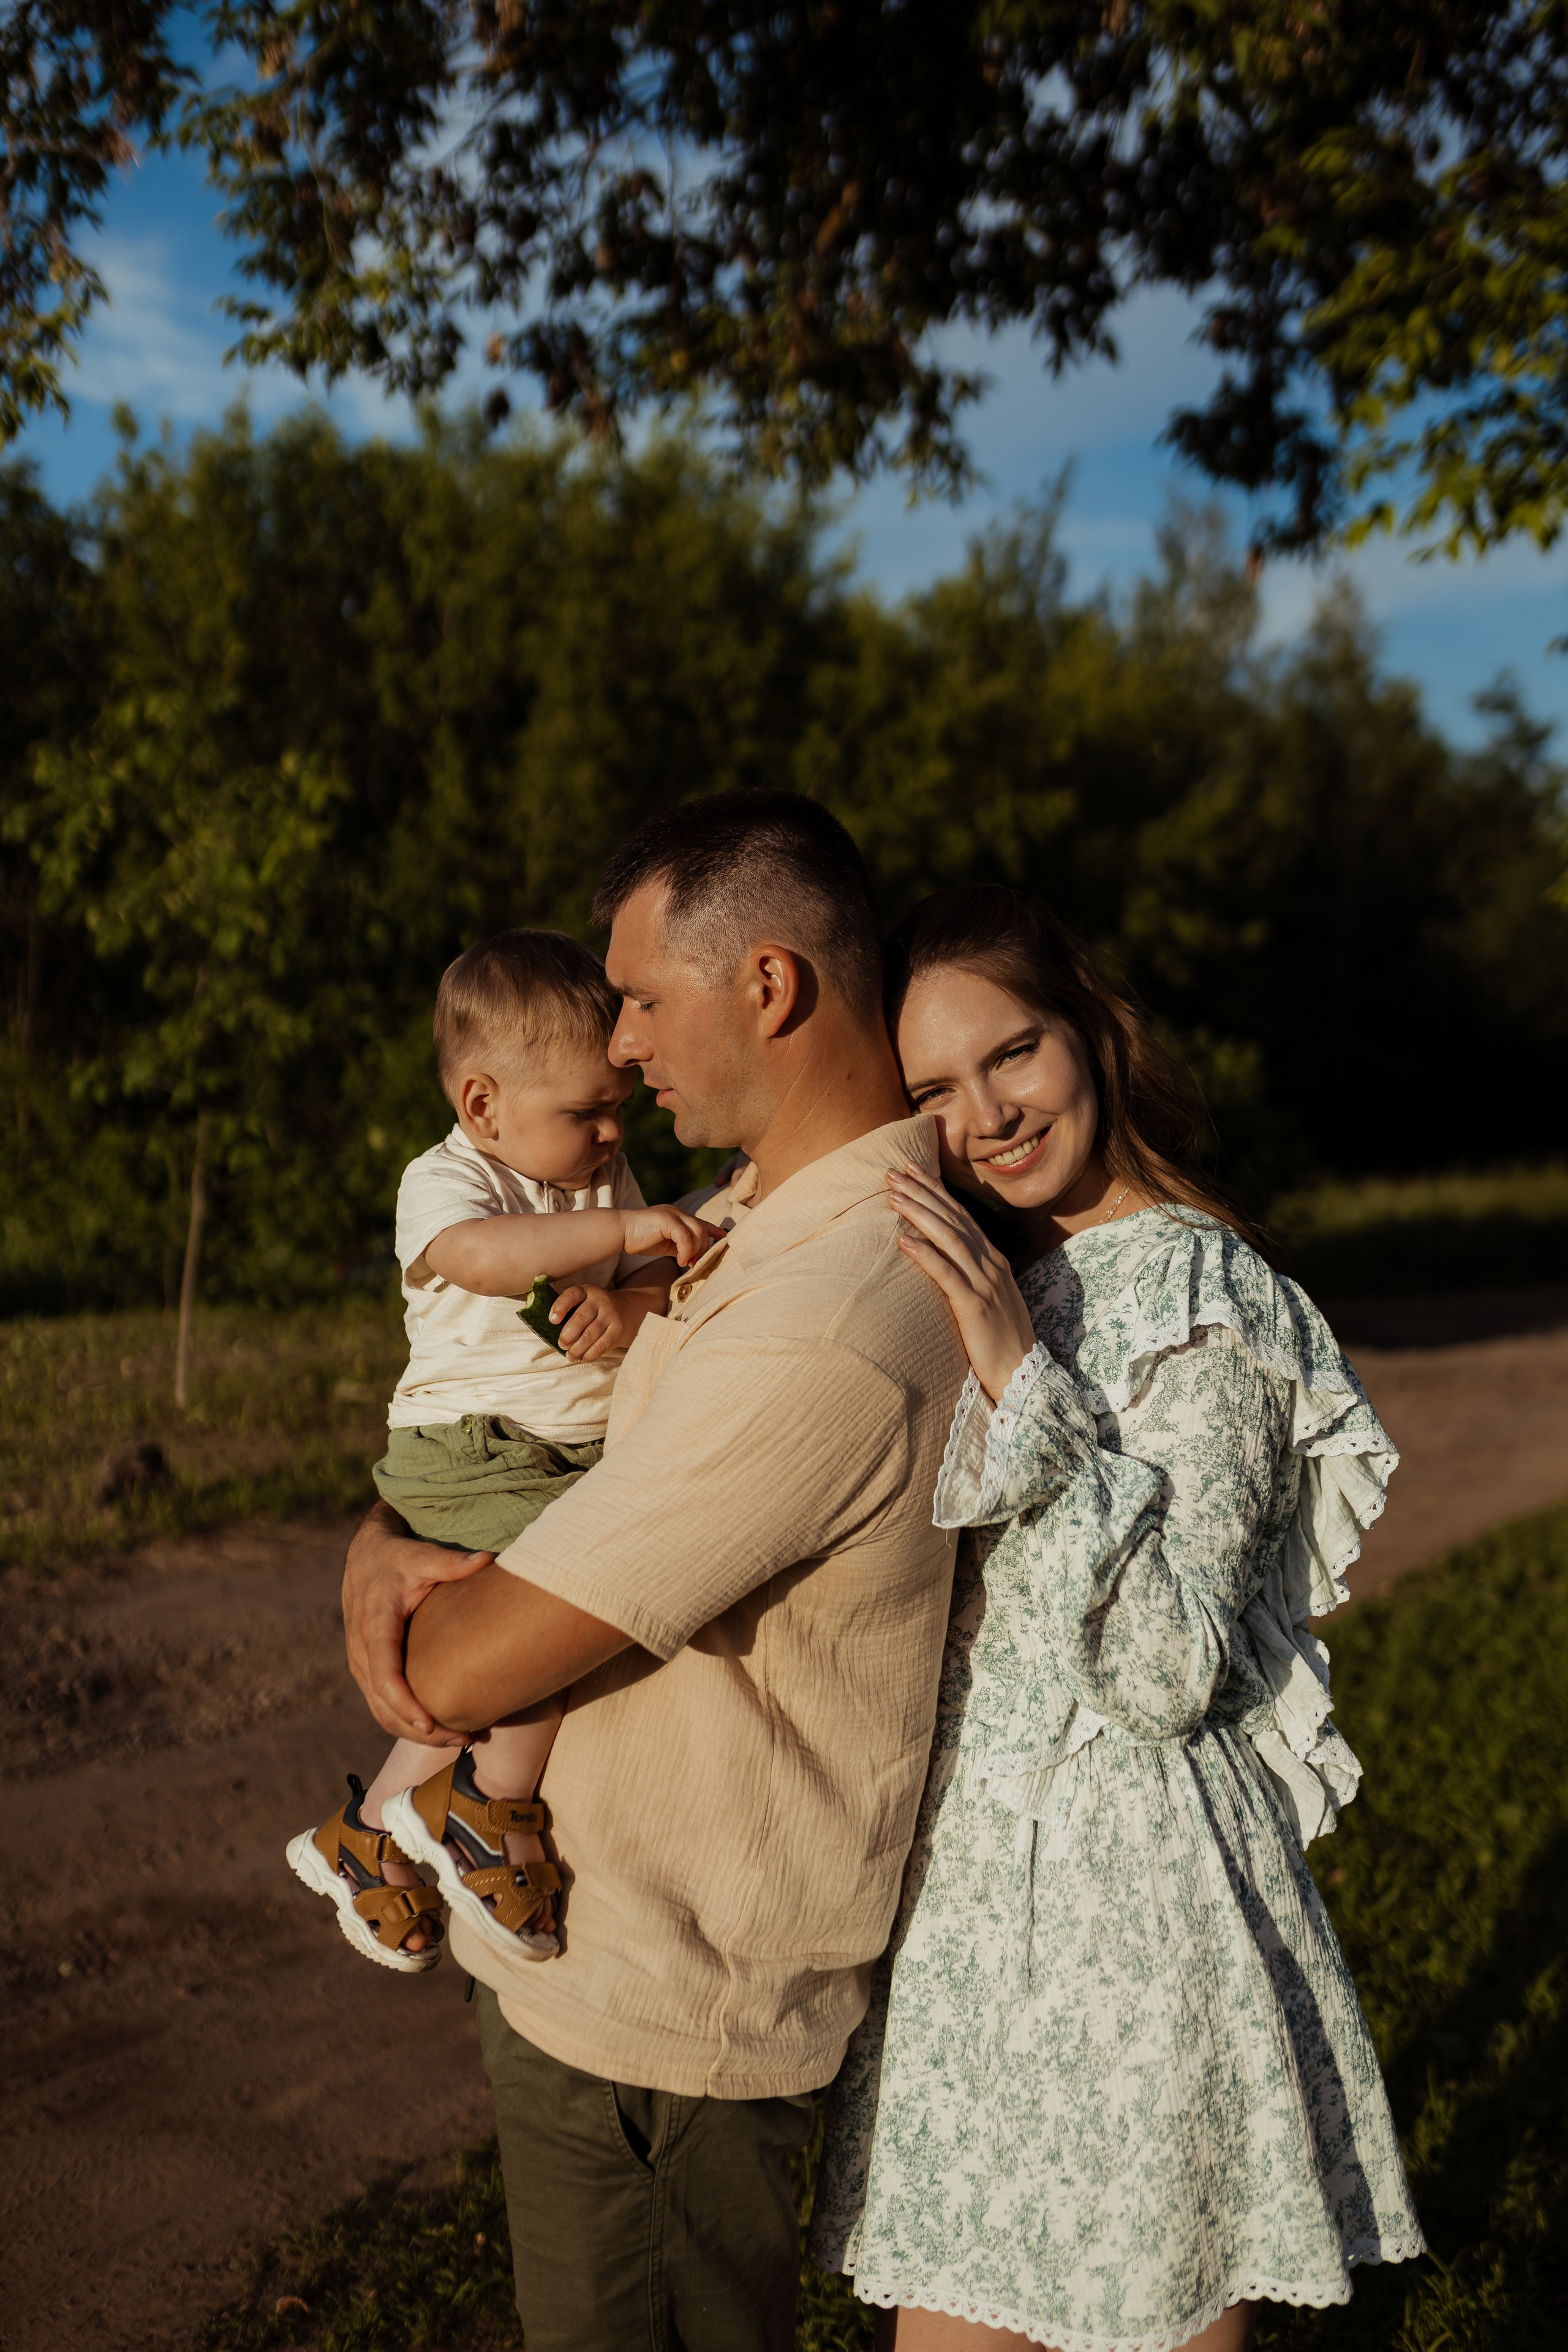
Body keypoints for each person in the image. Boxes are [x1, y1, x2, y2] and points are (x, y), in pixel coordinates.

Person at [338, 793, 971, 2352]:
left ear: (764, 985)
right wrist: (374, 1548)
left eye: (636, 997)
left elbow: (469, 1666)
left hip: (663, 2024)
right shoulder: (742, 1219)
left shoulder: (829, 1308)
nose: (615, 1046)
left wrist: (396, 1616)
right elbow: (508, 1440)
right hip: (609, 1970)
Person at [809, 886, 1425, 2351]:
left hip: (1136, 1918)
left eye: (1011, 1052)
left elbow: (1169, 1667)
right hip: (974, 1914)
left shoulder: (1208, 1292)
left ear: (1090, 1029)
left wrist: (1027, 1385)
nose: (988, 1116)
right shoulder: (993, 1269)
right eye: (934, 1094)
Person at [288, 927, 718, 1971]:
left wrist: (626, 1309)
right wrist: (622, 1239)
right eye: (587, 1113)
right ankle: (490, 1804)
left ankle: (372, 1833)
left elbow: (645, 1284)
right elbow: (483, 1261)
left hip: (553, 1455)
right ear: (483, 1104)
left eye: (618, 1108)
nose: (614, 1134)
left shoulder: (596, 1184)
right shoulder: (449, 1183)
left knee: (503, 1638)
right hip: (476, 1453)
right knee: (553, 1612)